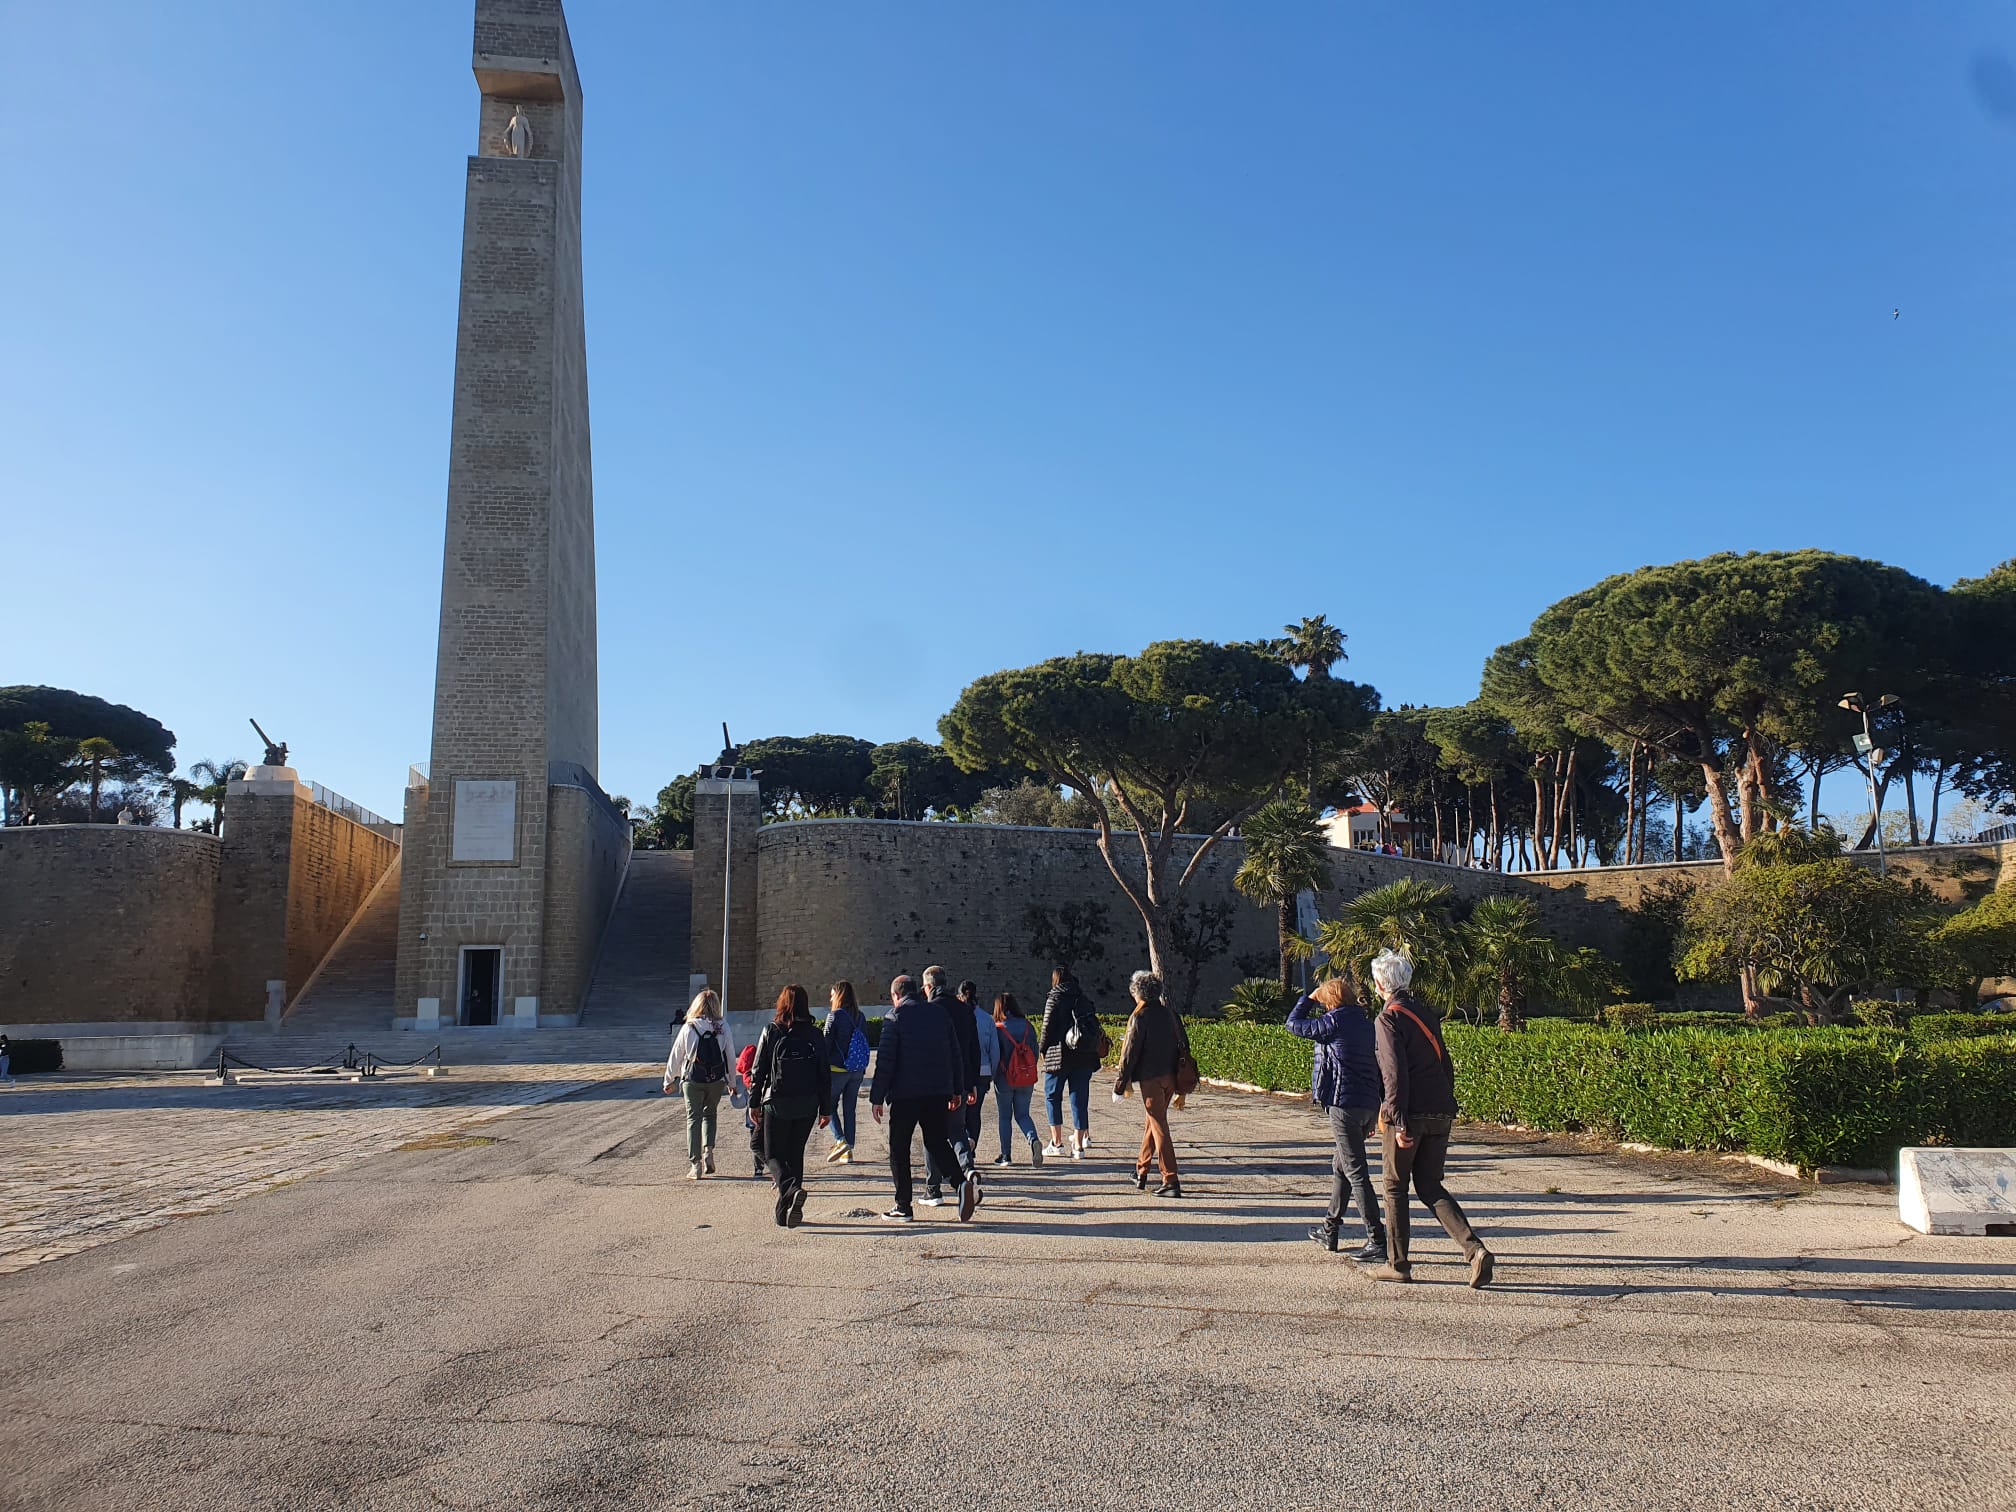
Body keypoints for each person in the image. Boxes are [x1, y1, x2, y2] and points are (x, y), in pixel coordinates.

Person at [1369, 950, 1495, 1287]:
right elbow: (1446, 1066)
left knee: (1395, 1187)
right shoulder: (1424, 1013)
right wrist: (1445, 1106)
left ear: (1380, 983)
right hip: (1440, 1110)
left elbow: (1393, 1073)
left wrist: (1398, 1120)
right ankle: (1474, 1250)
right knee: (1429, 1185)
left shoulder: (1388, 1019)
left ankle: (1397, 1264)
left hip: (1409, 1114)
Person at [1286, 978, 1387, 1262]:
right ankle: (1330, 1229)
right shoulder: (1366, 1024)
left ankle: (1377, 1239)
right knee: (1341, 1165)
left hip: (1344, 1103)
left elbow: (1293, 1024)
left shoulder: (1333, 1022)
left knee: (1356, 1171)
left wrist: (1308, 999)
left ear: (1330, 999)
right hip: (1367, 1102)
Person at [870, 974, 979, 1223]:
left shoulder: (894, 1017)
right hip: (936, 1092)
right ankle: (960, 1183)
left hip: (905, 1094)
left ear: (896, 996)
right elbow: (954, 1054)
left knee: (899, 1148)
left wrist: (877, 1097)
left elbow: (885, 1062)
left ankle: (903, 1205)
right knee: (937, 1142)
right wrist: (955, 1089)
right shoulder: (939, 1014)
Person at [747, 985, 835, 1229]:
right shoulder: (815, 1035)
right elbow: (824, 1075)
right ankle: (785, 1212)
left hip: (777, 1101)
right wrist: (826, 1108)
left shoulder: (772, 1031)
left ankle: (790, 1189)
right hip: (807, 1103)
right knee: (795, 1154)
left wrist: (753, 1102)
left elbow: (759, 1070)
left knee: (772, 1153)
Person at [1112, 971, 1189, 1198]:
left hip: (1151, 1077)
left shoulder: (1140, 1017)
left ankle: (1171, 1179)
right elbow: (1184, 1043)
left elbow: (1129, 1054)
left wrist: (1120, 1084)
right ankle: (1141, 1170)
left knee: (1159, 1126)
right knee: (1153, 1123)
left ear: (1138, 993)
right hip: (1170, 1076)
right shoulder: (1170, 1014)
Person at [921, 966, 982, 1206]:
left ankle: (933, 1189)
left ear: (928, 986)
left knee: (932, 1135)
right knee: (957, 1130)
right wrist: (972, 1083)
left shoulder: (929, 1010)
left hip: (936, 1084)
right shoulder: (964, 1009)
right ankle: (968, 1169)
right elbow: (973, 1049)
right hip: (962, 1081)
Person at [662, 989, 735, 1180]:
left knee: (693, 1119)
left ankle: (695, 1165)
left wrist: (669, 1080)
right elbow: (730, 1056)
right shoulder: (723, 1026)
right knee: (710, 1115)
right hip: (716, 1080)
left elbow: (676, 1055)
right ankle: (708, 1151)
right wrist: (732, 1081)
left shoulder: (689, 1027)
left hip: (693, 1080)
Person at [1038, 966, 1102, 1158]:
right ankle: (1079, 1146)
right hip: (1083, 1055)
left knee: (1052, 1096)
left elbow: (1046, 1028)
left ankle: (1057, 1143)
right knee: (1079, 1099)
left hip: (1058, 1056)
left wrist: (1041, 1049)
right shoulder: (1083, 999)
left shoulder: (1054, 998)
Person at [822, 981, 872, 1164]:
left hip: (837, 1069)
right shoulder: (861, 1016)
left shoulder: (834, 1016)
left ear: (839, 995)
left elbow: (825, 1045)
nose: (830, 997)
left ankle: (840, 1140)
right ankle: (848, 1150)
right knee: (849, 1108)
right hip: (856, 1069)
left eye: (832, 994)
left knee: (828, 1105)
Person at [990, 994, 1043, 1166]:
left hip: (1005, 1078)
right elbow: (1035, 1053)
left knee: (1005, 1117)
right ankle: (1033, 1139)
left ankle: (1006, 1156)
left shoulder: (998, 1028)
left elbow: (995, 1055)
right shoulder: (1028, 1026)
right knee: (1023, 1114)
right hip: (1025, 1077)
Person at [959, 980, 1000, 1155]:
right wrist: (992, 1074)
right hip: (983, 1071)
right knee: (975, 1113)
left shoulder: (958, 1017)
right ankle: (972, 1144)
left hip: (962, 1071)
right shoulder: (986, 1019)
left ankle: (962, 1148)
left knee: (960, 1114)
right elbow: (995, 1051)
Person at [734, 1042, 763, 1178]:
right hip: (765, 1109)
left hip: (752, 1112)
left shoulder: (746, 1076)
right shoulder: (761, 1071)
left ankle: (758, 1168)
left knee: (754, 1137)